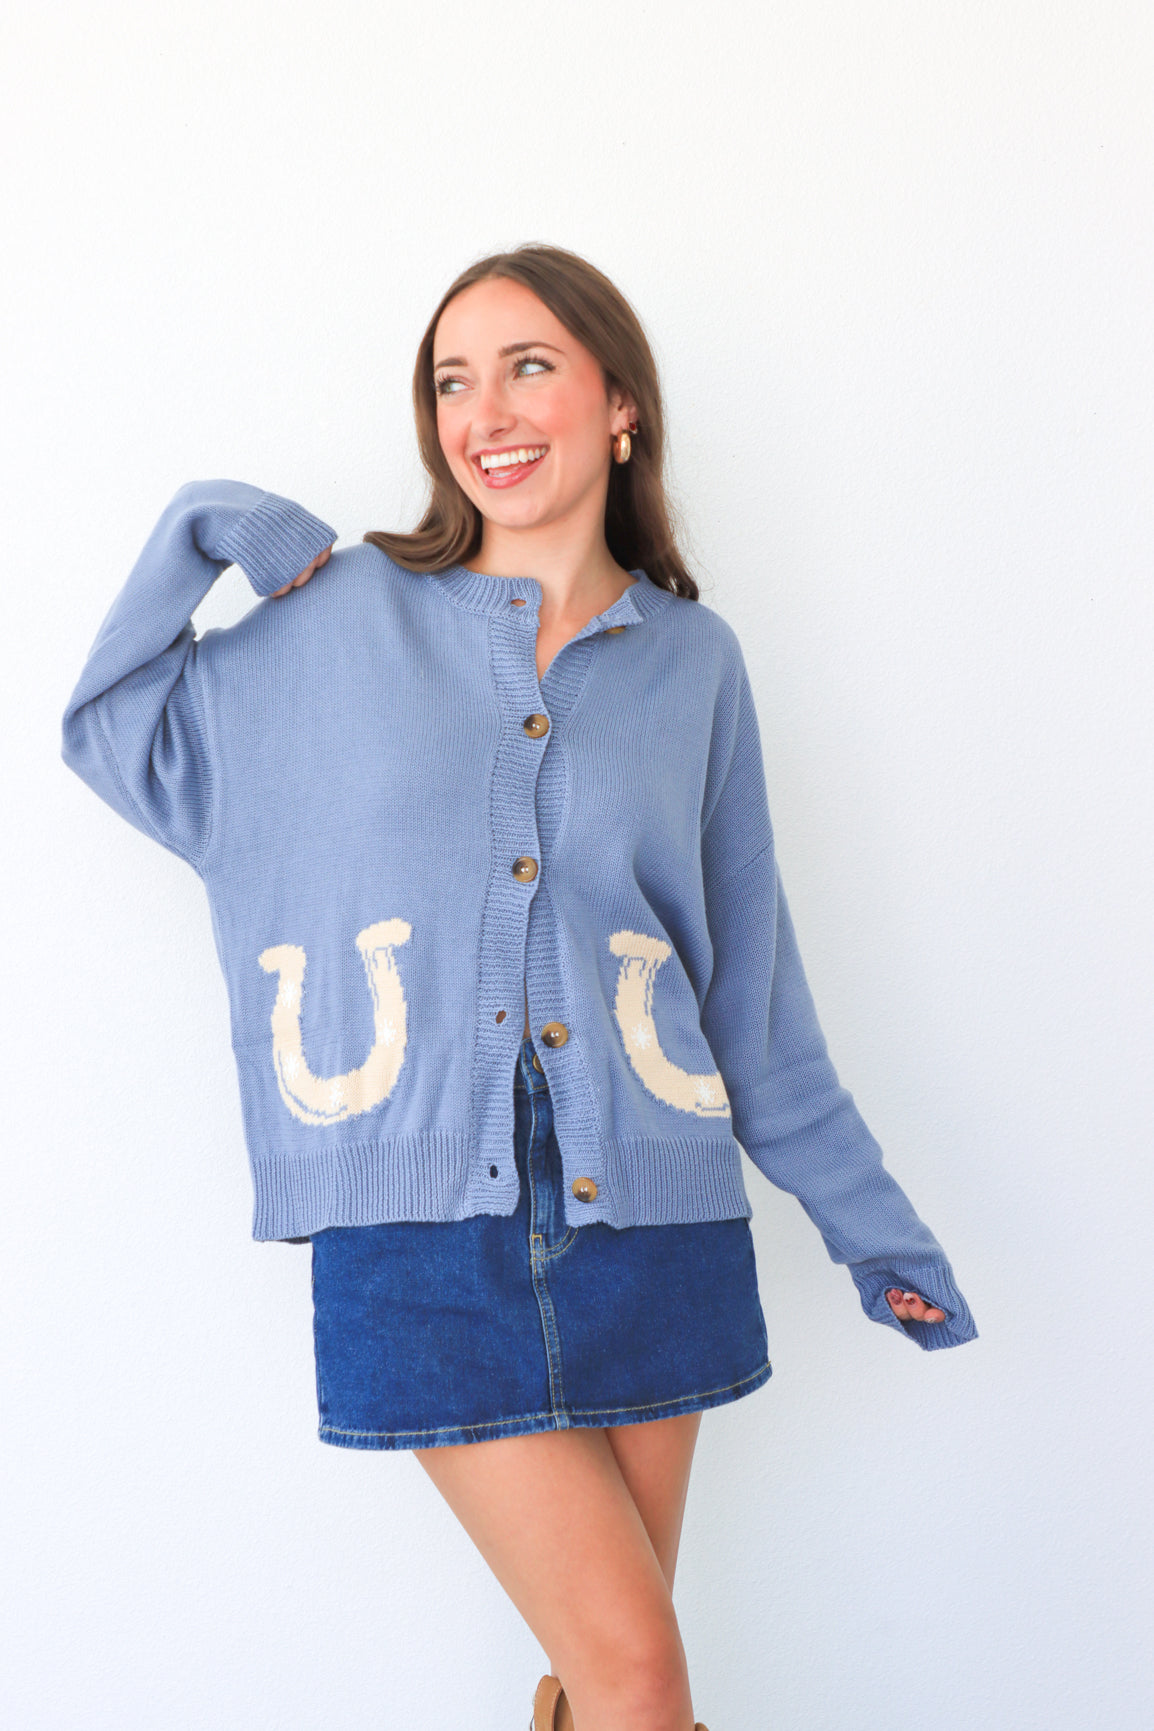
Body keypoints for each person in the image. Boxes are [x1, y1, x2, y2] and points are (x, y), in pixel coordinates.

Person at [61, 243, 977, 1731]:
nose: (483, 408)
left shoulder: (693, 665)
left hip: (654, 1214)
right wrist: (208, 527)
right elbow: (111, 726)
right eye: (450, 379)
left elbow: (745, 993)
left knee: (607, 1678)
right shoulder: (336, 624)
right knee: (639, 1675)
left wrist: (870, 1228)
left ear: (620, 403)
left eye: (530, 364)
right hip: (420, 1226)